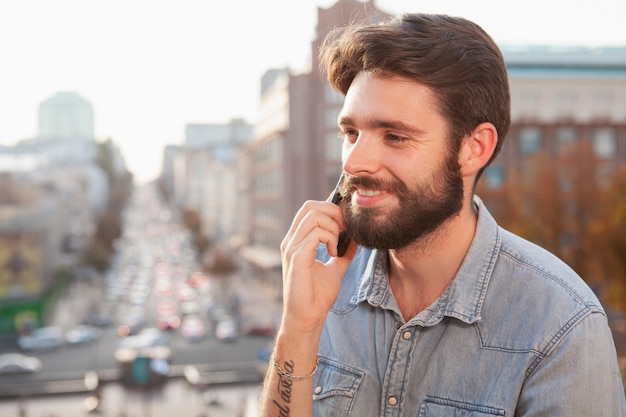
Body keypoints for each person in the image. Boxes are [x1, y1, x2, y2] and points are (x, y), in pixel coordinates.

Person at [259, 13, 626, 417]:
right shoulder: (325, 286)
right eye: (351, 133)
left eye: (395, 137)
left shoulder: (562, 327)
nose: (355, 162)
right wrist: (298, 329)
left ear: (474, 148)